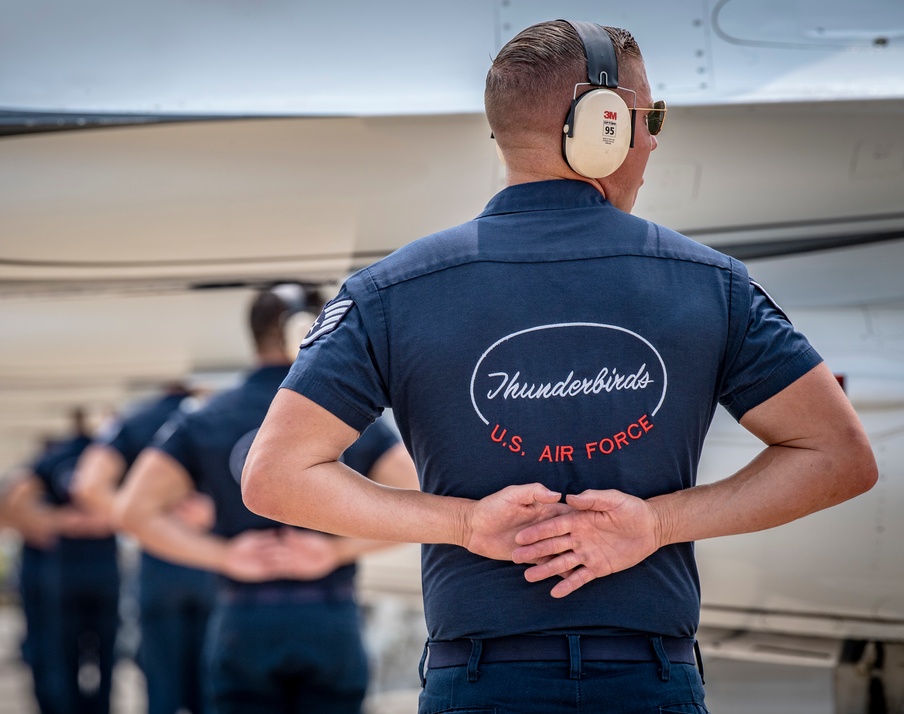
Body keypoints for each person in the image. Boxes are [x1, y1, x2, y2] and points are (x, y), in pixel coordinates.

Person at [240, 19, 878, 714]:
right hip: (649, 678)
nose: (655, 139)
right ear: (604, 127)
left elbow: (277, 477)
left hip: (476, 682)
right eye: (648, 118)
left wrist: (463, 524)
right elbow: (837, 455)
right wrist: (656, 526)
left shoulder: (390, 292)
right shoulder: (709, 284)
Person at [115, 285, 420, 714]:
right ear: (314, 328)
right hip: (328, 611)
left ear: (254, 335)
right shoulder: (347, 411)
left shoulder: (207, 418)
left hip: (245, 616)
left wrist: (223, 556)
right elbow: (416, 497)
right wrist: (334, 550)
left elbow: (132, 511)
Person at [72, 385, 216, 714]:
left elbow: (88, 485)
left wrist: (145, 518)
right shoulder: (219, 412)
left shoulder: (138, 420)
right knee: (215, 688)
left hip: (160, 565)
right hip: (215, 561)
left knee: (161, 689)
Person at [0, 410, 119, 714]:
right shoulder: (110, 455)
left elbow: (10, 502)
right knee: (102, 656)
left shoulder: (54, 458)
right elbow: (11, 504)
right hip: (95, 572)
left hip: (66, 573)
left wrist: (54, 522)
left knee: (64, 656)